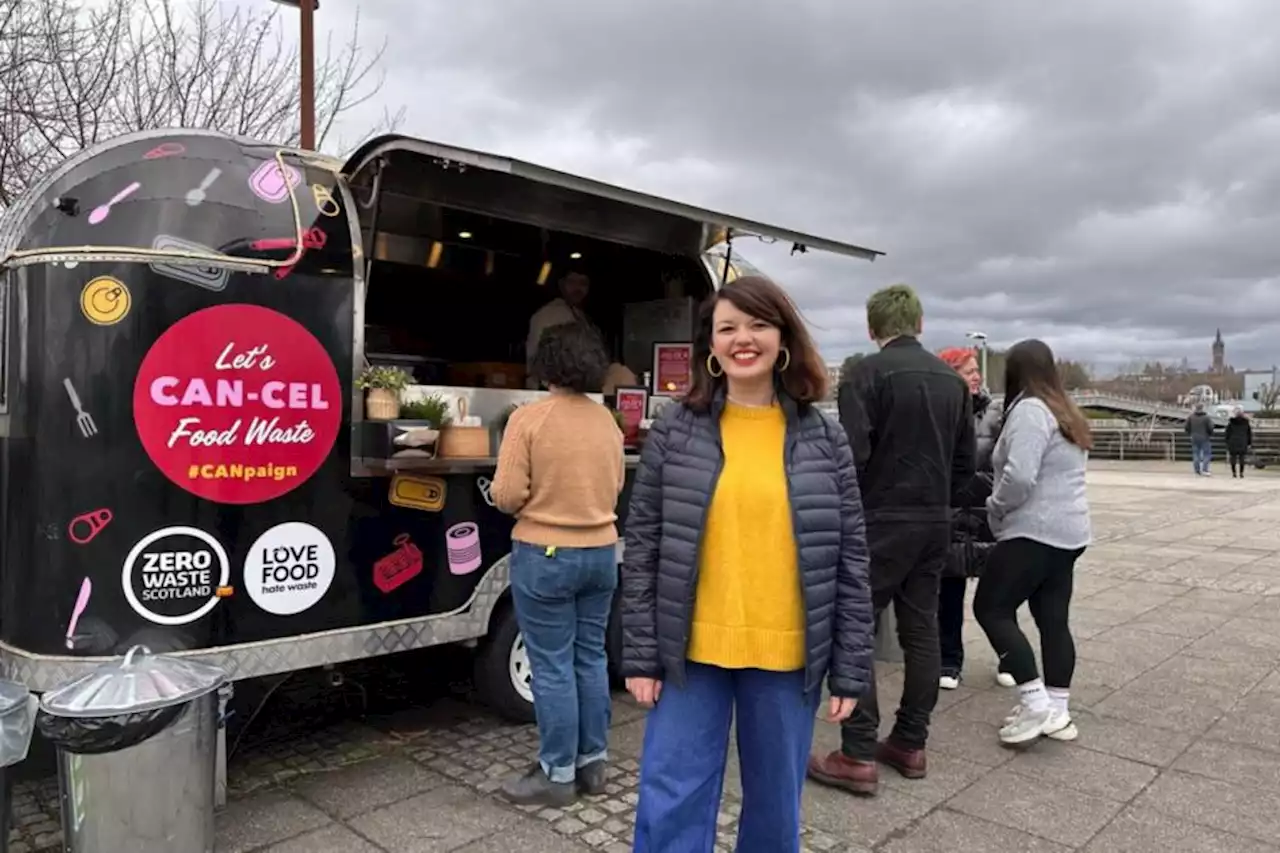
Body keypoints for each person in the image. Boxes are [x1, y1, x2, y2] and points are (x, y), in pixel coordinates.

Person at [621, 275, 874, 852]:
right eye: (727, 327)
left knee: (775, 807)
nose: (743, 338)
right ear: (710, 345)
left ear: (782, 337)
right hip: (689, 655)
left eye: (758, 324)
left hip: (786, 656)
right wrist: (639, 654)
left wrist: (851, 665)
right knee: (671, 797)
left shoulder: (824, 439)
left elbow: (851, 557)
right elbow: (644, 547)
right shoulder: (674, 435)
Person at [808, 283, 974, 795]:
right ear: (920, 324)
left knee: (852, 625)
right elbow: (965, 465)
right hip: (933, 520)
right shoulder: (954, 382)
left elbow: (852, 456)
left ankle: (857, 750)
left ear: (871, 329)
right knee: (921, 631)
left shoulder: (863, 374)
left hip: (878, 519)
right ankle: (909, 740)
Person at [491, 321, 625, 806]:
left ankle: (556, 773)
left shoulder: (529, 419)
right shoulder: (607, 421)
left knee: (551, 665)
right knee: (590, 658)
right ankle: (593, 764)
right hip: (601, 553)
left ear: (545, 364)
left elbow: (506, 496)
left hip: (546, 554)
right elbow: (613, 489)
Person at [973, 338, 1092, 745]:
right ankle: (1058, 709)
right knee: (1052, 618)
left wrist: (995, 506)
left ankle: (1034, 698)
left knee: (991, 607)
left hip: (1034, 529)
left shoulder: (1028, 410)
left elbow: (1020, 476)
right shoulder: (1065, 410)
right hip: (1071, 532)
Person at [935, 347, 1012, 691]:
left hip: (986, 513)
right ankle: (948, 661)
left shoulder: (997, 413)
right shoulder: (935, 412)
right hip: (949, 513)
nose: (976, 376)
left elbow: (1008, 460)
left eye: (975, 370)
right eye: (968, 371)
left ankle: (1010, 656)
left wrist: (990, 493)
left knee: (999, 593)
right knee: (947, 593)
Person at [1185, 402, 1216, 476]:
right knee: (1207, 454)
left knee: (1196, 454)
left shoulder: (1191, 417)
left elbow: (1186, 427)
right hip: (1205, 437)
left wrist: (1191, 434)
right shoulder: (1206, 417)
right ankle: (1205, 469)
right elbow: (1211, 427)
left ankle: (1197, 470)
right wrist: (1210, 434)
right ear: (1202, 408)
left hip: (1194, 437)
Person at [1225, 406, 1252, 478]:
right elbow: (1249, 433)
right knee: (1242, 458)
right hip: (1242, 441)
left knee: (1233, 458)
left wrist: (1227, 442)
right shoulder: (1246, 423)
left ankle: (1234, 472)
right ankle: (1241, 473)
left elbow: (1227, 433)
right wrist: (1249, 443)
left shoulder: (1231, 423)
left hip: (1233, 441)